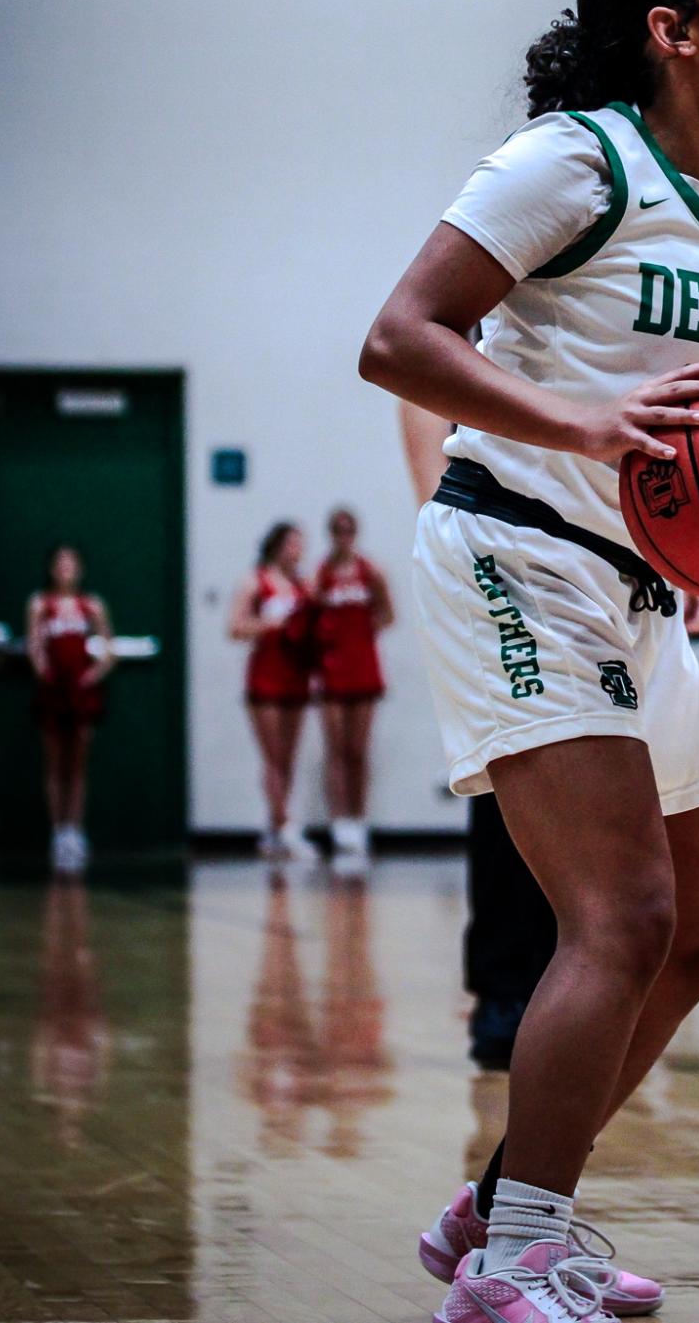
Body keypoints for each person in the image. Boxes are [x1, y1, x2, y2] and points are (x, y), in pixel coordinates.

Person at [360, 0, 699, 1322]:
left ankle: (506, 1202)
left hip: (639, 584)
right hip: (514, 546)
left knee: (692, 938)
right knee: (617, 918)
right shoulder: (574, 159)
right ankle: (514, 1266)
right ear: (669, 30)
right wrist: (585, 415)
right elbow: (398, 338)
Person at [402, 396, 559, 1069]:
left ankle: (578, 987)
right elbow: (419, 422)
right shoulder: (465, 323)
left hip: (601, 570)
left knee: (605, 796)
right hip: (499, 568)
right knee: (511, 778)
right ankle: (504, 991)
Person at [227, 523, 316, 861]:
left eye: (301, 543)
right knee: (272, 757)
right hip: (265, 677)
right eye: (292, 542)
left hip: (296, 674)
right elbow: (235, 627)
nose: (297, 549)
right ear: (277, 545)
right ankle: (285, 826)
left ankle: (274, 825)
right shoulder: (256, 581)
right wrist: (269, 624)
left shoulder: (303, 585)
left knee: (288, 758)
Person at [26, 544, 116, 873]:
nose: (66, 568)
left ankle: (74, 831)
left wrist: (93, 674)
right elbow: (34, 644)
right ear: (51, 568)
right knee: (53, 762)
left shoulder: (91, 605)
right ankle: (57, 830)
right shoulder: (41, 604)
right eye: (60, 563)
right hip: (53, 691)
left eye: (71, 563)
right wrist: (43, 671)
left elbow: (108, 647)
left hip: (81, 693)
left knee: (77, 764)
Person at [312, 506, 393, 866]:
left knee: (358, 750)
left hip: (363, 668)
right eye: (337, 530)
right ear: (330, 533)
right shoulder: (322, 574)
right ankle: (339, 822)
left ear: (355, 533)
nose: (343, 536)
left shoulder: (369, 571)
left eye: (348, 530)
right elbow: (309, 616)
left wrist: (362, 635)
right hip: (331, 670)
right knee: (335, 748)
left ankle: (359, 820)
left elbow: (387, 614)